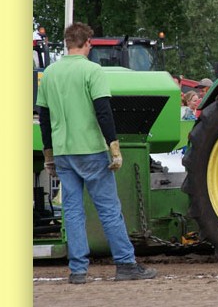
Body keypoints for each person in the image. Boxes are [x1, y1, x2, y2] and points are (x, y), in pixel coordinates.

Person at [36, 22, 157, 284]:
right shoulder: (93, 71)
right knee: (109, 210)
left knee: (72, 211)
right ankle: (125, 263)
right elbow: (103, 112)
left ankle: (78, 270)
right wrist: (114, 147)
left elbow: (44, 118)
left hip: (63, 153)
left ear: (68, 43)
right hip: (91, 150)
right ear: (87, 43)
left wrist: (48, 155)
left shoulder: (50, 74)